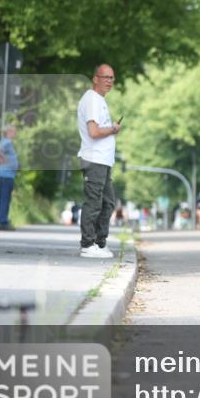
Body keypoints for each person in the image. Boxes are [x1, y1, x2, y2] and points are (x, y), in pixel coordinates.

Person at [76, 64, 122, 258]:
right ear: (95, 78)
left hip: (103, 161)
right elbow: (93, 132)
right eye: (105, 77)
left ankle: (99, 243)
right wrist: (112, 129)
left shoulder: (99, 100)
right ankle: (88, 244)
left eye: (111, 78)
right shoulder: (92, 100)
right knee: (94, 203)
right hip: (94, 159)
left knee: (108, 203)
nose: (109, 81)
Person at [0, 124, 19, 230]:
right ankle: (2, 222)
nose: (15, 133)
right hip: (6, 176)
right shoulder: (7, 142)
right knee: (5, 199)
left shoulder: (5, 142)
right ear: (9, 132)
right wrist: (1, 157)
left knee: (2, 199)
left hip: (5, 175)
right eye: (14, 131)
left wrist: (1, 157)